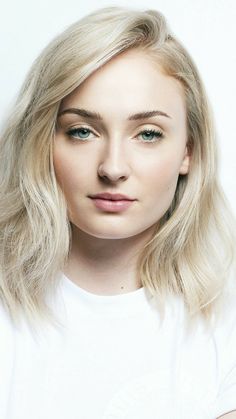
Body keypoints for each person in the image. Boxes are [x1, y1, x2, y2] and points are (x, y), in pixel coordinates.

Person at [0, 5, 236, 419]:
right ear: (42, 142)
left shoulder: (223, 325)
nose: (112, 167)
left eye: (147, 134)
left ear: (188, 151)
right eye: (82, 131)